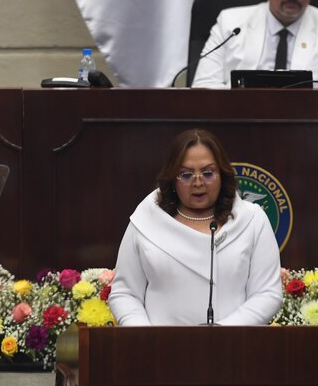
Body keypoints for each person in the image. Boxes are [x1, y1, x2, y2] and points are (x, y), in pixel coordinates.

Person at [108, 129, 283, 325]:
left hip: (233, 342)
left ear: (222, 175)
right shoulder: (146, 220)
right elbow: (125, 294)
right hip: (158, 344)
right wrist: (145, 336)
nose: (198, 182)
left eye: (208, 173)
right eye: (186, 175)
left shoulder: (251, 220)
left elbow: (267, 294)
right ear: (172, 178)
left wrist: (222, 333)